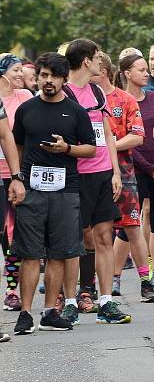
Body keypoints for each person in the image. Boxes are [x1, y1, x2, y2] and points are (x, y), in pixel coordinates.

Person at [13, 52, 90, 335]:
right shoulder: (26, 110)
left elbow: (91, 148)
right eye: (43, 75)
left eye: (54, 76)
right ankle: (25, 313)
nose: (48, 81)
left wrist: (67, 149)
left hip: (65, 190)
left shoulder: (76, 111)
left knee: (59, 253)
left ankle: (49, 312)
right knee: (30, 254)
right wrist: (18, 178)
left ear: (63, 79)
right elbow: (17, 146)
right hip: (32, 189)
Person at [62, 39, 130, 325]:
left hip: (103, 174)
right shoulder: (65, 93)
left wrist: (115, 172)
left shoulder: (97, 92)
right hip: (77, 174)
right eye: (96, 56)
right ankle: (69, 301)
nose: (100, 60)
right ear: (86, 61)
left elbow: (108, 135)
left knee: (104, 237)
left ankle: (106, 301)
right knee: (73, 241)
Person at [94, 53, 154, 303]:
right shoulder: (84, 99)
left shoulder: (125, 99)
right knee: (96, 231)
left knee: (132, 227)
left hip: (124, 171)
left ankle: (146, 281)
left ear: (104, 72)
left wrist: (109, 147)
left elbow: (138, 136)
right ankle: (96, 286)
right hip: (93, 173)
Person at [123, 54, 154, 292]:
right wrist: (148, 168)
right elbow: (129, 142)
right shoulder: (122, 101)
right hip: (136, 169)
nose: (146, 73)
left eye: (146, 70)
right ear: (127, 74)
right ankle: (114, 276)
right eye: (141, 70)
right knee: (130, 222)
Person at [0, 54, 32, 312]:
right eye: (15, 70)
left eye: (22, 70)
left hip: (16, 174)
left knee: (16, 233)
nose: (20, 75)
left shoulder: (25, 98)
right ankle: (11, 286)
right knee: (5, 234)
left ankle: (13, 289)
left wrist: (18, 174)